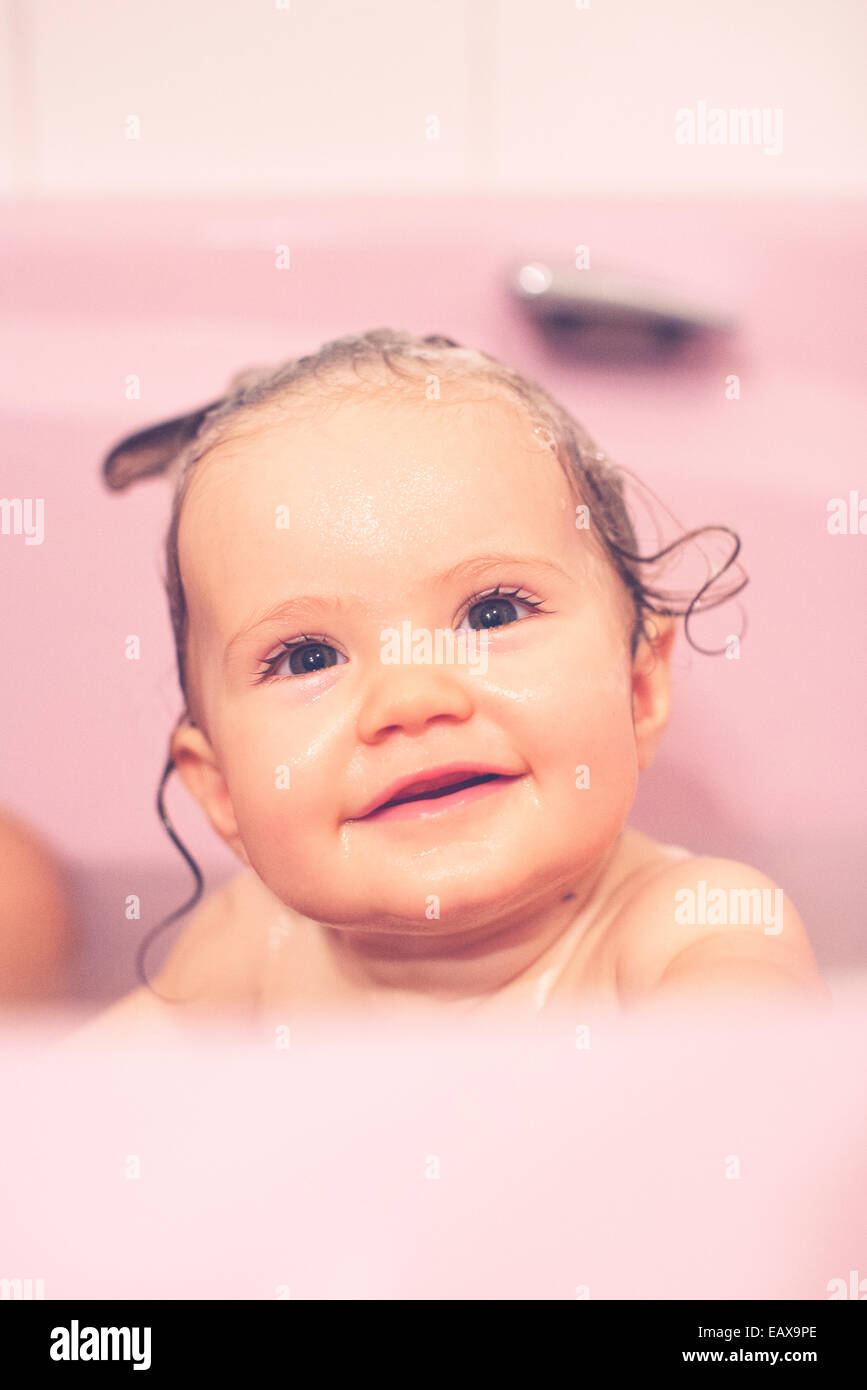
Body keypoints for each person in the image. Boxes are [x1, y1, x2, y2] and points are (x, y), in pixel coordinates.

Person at [62, 328, 828, 1046]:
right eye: (307, 658)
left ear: (638, 690)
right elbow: (65, 1128)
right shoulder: (251, 947)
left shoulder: (691, 935)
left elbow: (754, 1121)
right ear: (221, 789)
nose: (410, 701)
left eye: (491, 613)